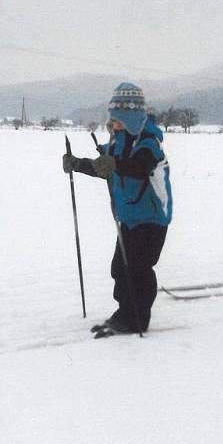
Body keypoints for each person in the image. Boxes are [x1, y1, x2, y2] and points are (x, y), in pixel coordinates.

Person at [63, 83, 173, 333]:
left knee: (138, 268)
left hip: (152, 217)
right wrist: (78, 164)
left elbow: (139, 167)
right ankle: (125, 312)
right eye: (113, 117)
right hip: (129, 216)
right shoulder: (119, 141)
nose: (114, 122)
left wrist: (113, 164)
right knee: (120, 268)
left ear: (132, 116)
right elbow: (106, 168)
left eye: (119, 118)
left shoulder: (148, 140)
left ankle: (136, 319)